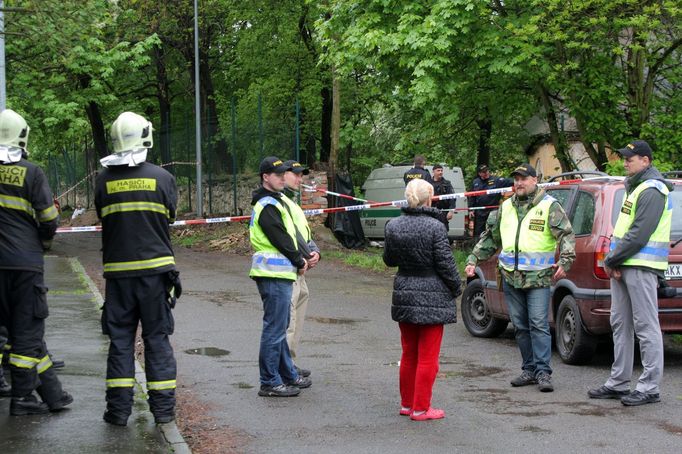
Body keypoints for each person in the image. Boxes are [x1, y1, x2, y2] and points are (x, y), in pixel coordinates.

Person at [95, 112, 181, 426]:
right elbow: (169, 217)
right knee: (157, 339)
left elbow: (104, 215)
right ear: (145, 137)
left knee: (120, 342)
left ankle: (117, 412)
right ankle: (163, 411)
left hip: (118, 278)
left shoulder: (103, 180)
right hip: (157, 275)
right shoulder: (163, 178)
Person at [465, 164, 575, 393]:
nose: (519, 183)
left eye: (523, 179)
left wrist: (565, 262)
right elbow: (490, 239)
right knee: (521, 326)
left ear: (535, 180)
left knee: (538, 324)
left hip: (538, 278)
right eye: (516, 179)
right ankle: (529, 369)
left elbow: (565, 234)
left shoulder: (548, 206)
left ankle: (543, 372)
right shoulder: (505, 207)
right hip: (510, 277)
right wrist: (473, 259)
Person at [588, 140, 672, 406]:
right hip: (625, 266)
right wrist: (616, 261)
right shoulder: (635, 187)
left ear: (645, 161)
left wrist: (611, 259)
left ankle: (649, 387)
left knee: (646, 326)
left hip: (640, 266)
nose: (625, 163)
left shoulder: (652, 189)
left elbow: (638, 234)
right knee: (620, 323)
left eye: (630, 159)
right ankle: (619, 382)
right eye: (624, 159)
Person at [0, 109, 72, 415]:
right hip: (25, 263)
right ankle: (23, 398)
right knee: (27, 333)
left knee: (15, 333)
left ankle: (53, 395)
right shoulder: (32, 172)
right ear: (22, 136)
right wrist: (43, 244)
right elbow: (48, 218)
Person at [383, 179, 462, 421]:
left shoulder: (392, 225)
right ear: (429, 198)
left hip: (405, 290)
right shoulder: (436, 227)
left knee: (408, 354)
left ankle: (407, 405)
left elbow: (389, 260)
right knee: (428, 357)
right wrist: (457, 288)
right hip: (432, 293)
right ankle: (421, 408)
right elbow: (446, 265)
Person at [250, 156, 311, 397]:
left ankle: (285, 374)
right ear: (266, 177)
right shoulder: (267, 204)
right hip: (273, 273)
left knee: (279, 326)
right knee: (275, 330)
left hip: (280, 273)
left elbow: (290, 235)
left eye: (283, 173)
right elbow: (281, 239)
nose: (282, 178)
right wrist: (299, 260)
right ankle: (269, 382)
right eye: (278, 174)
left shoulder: (275, 201)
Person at [281, 160, 320, 378]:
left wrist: (315, 252)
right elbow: (289, 235)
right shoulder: (280, 202)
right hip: (289, 268)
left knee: (297, 316)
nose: (299, 179)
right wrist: (303, 257)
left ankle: (289, 362)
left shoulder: (292, 202)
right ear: (282, 175)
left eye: (300, 175)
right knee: (289, 321)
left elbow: (303, 233)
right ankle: (285, 368)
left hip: (299, 268)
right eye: (294, 174)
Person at [468, 164, 513, 238]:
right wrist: (471, 209)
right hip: (480, 211)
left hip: (493, 210)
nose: (486, 173)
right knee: (479, 232)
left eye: (487, 171)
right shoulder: (475, 182)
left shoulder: (496, 180)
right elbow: (472, 196)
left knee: (493, 230)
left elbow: (509, 181)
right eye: (484, 172)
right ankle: (478, 247)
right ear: (479, 174)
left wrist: (519, 181)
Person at [431, 164, 456, 232]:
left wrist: (451, 211)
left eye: (441, 170)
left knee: (443, 232)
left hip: (443, 212)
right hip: (431, 212)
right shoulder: (428, 183)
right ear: (433, 171)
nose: (440, 172)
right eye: (438, 170)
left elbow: (452, 197)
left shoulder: (447, 183)